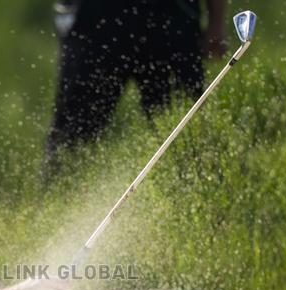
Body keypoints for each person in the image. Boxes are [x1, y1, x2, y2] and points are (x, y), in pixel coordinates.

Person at [45, 0, 227, 177]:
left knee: (185, 133)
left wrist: (217, 22)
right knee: (72, 136)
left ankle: (197, 193)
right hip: (94, 16)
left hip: (171, 16)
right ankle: (59, 192)